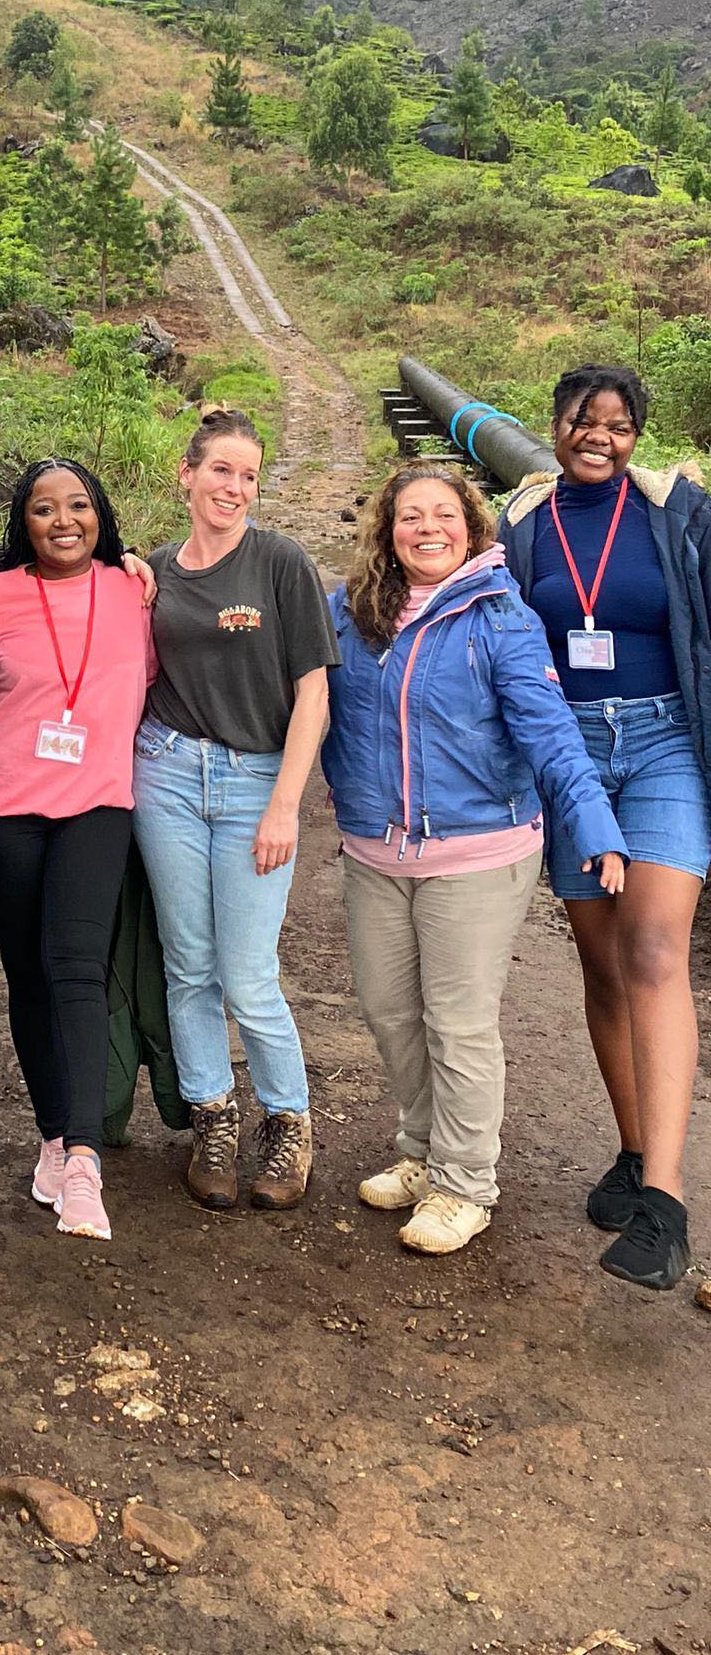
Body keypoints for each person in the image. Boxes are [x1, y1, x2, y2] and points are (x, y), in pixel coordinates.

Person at [324, 468, 626, 1256]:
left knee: (457, 1024)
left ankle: (466, 1184)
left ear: (472, 527)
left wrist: (592, 823)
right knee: (392, 1014)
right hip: (374, 848)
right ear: (387, 529)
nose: (428, 528)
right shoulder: (351, 615)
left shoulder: (501, 617)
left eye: (444, 516)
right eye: (410, 516)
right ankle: (422, 1153)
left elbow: (550, 731)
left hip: (479, 850)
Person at [500, 363, 711, 1290]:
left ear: (637, 436)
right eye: (585, 421)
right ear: (554, 426)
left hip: (664, 739)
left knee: (656, 952)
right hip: (567, 753)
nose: (601, 437)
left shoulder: (679, 509)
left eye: (619, 425)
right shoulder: (519, 523)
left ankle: (664, 1203)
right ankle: (632, 1151)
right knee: (602, 965)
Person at [132, 407, 336, 1213]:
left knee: (249, 974)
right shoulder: (154, 573)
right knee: (189, 965)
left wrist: (287, 805)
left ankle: (288, 1120)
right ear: (187, 474)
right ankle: (212, 1115)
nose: (236, 487)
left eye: (249, 475)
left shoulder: (281, 563)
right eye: (222, 469)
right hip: (169, 777)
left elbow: (313, 693)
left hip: (257, 782)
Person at [0, 459, 154, 1242]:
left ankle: (83, 1162)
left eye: (78, 504)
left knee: (76, 968)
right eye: (44, 509)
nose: (63, 520)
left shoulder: (135, 588)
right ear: (25, 522)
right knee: (28, 975)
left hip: (98, 807)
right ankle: (52, 1135)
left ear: (101, 514)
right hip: (3, 809)